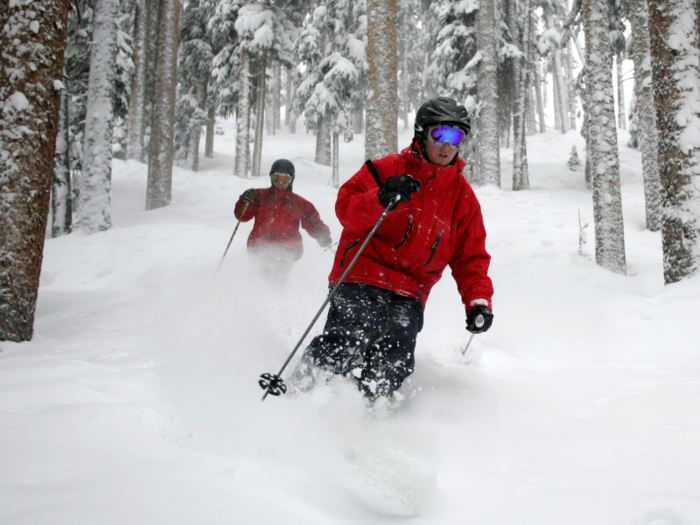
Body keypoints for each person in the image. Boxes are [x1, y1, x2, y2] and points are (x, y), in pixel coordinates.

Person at [291, 96, 494, 403]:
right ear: (422, 134)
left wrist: (478, 300)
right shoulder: (385, 169)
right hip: (362, 273)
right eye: (440, 134)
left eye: (457, 137)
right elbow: (346, 209)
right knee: (349, 337)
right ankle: (302, 395)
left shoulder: (462, 197)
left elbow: (471, 256)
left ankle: (371, 411)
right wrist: (381, 197)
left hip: (411, 290)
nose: (447, 146)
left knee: (396, 355)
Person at [234, 159, 332, 280]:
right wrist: (245, 201)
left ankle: (278, 294)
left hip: (287, 248)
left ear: (291, 180)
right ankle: (261, 294)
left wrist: (321, 234)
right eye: (276, 178)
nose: (280, 182)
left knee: (277, 272)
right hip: (259, 245)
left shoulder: (299, 203)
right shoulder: (259, 196)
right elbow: (242, 216)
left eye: (285, 179)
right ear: (271, 178)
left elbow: (314, 223)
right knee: (261, 275)